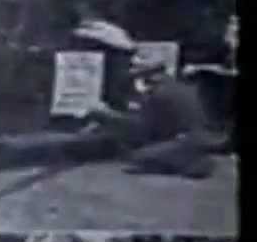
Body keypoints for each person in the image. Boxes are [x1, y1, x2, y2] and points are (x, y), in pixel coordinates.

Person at [82, 56, 217, 179]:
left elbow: (142, 129)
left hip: (185, 141)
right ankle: (188, 157)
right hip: (197, 137)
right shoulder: (181, 87)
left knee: (136, 157)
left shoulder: (158, 94)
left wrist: (106, 115)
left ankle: (186, 161)